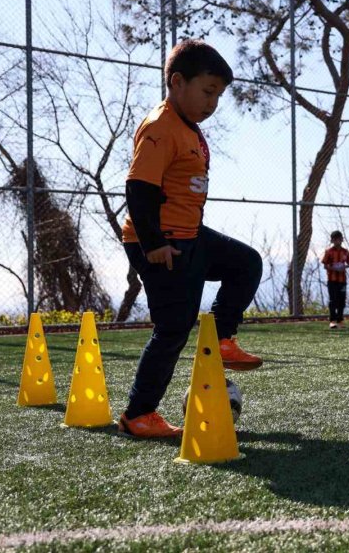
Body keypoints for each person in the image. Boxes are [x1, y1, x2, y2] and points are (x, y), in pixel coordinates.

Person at [119, 39, 263, 439]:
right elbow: (139, 190)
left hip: (190, 237)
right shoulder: (161, 127)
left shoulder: (188, 128)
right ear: (177, 82)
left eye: (218, 95)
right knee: (173, 328)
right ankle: (139, 413)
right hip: (162, 244)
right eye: (207, 91)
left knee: (246, 263)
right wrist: (154, 245)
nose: (213, 102)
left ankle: (220, 340)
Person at [321, 230, 349, 329]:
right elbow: (325, 265)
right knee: (333, 300)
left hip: (342, 280)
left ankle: (340, 320)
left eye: (339, 239)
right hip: (332, 280)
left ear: (342, 239)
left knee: (342, 300)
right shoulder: (329, 252)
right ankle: (332, 320)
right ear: (332, 240)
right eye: (335, 239)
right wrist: (333, 267)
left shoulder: (345, 252)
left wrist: (344, 267)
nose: (337, 241)